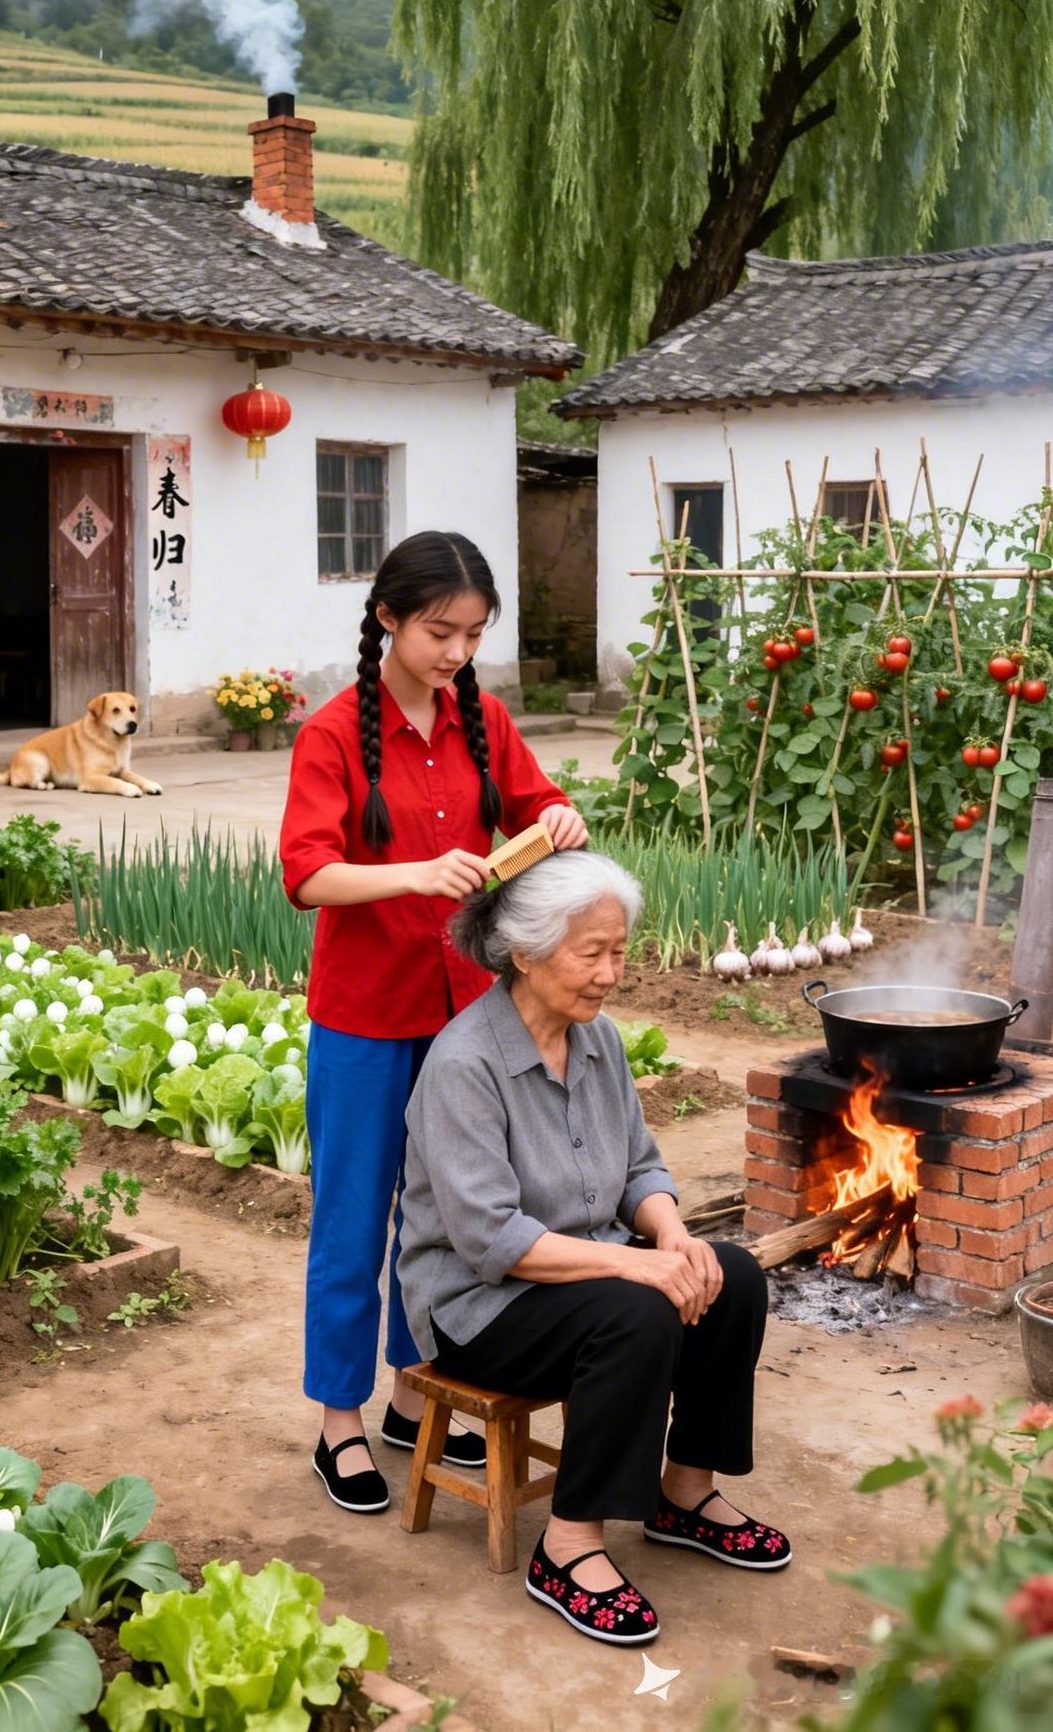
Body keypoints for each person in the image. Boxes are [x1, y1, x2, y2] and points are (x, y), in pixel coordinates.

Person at [398, 850, 789, 1646]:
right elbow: (490, 1238)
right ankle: (568, 1543)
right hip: (480, 1306)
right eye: (594, 953)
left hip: (583, 1274)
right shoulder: (464, 1062)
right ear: (528, 952)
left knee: (734, 1274)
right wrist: (638, 1263)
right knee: (636, 1312)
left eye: (620, 949)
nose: (613, 971)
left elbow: (641, 1166)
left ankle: (684, 1495)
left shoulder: (598, 1039)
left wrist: (674, 1235)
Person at [278, 529, 588, 1513]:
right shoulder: (331, 733)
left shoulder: (481, 718)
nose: (454, 652)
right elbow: (304, 874)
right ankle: (339, 1420)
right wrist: (412, 872)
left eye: (471, 634)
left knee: (449, 1212)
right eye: (437, 631)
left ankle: (419, 1394)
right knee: (355, 1216)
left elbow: (538, 804)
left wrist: (561, 820)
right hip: (366, 1018)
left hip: (466, 1017)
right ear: (386, 620)